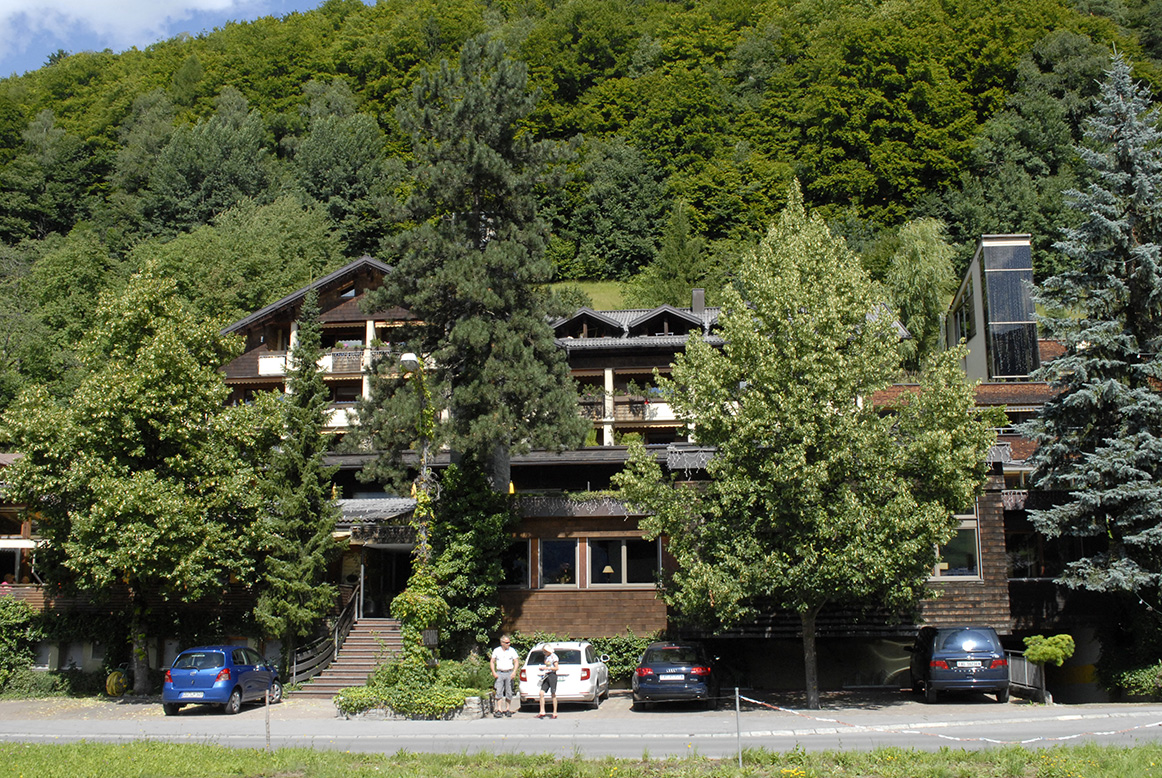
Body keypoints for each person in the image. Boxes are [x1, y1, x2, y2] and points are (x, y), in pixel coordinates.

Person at [489, 634, 520, 718]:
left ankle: (507, 709)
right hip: (500, 672)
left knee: (509, 691)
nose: (508, 644)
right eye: (506, 643)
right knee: (499, 691)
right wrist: (494, 672)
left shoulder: (512, 650)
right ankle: (499, 709)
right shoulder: (497, 651)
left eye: (509, 642)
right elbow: (492, 661)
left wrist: (514, 672)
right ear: (502, 643)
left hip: (509, 672)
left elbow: (516, 661)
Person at [537, 643, 560, 719]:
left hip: (552, 675)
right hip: (546, 675)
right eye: (543, 652)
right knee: (541, 693)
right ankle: (542, 711)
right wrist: (543, 668)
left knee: (553, 693)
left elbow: (556, 668)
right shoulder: (546, 657)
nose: (544, 653)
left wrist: (548, 668)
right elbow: (547, 665)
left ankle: (555, 712)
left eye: (545, 651)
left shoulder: (554, 657)